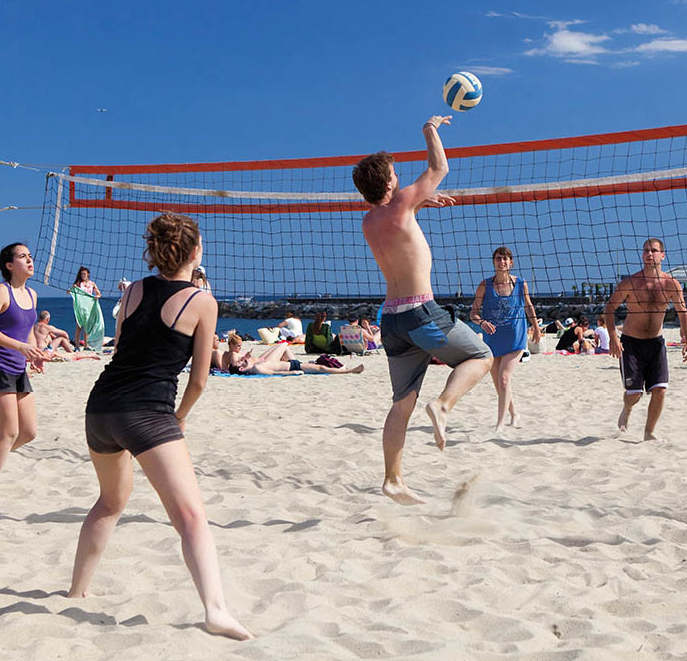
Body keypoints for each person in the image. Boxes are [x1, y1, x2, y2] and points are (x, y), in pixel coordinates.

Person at [68, 213, 251, 640]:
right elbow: (200, 379)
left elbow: (123, 347)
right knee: (191, 517)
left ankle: (76, 591)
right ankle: (216, 610)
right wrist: (179, 416)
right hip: (146, 412)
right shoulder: (202, 300)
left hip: (101, 407)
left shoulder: (132, 290)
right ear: (195, 251)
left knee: (110, 502)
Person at [353, 115, 493, 505]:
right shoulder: (401, 203)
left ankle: (392, 480)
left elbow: (399, 219)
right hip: (420, 313)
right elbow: (439, 167)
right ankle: (443, 405)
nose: (399, 177)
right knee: (481, 355)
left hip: (390, 321)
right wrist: (430, 129)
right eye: (396, 174)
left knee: (401, 403)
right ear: (389, 182)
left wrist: (420, 202)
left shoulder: (369, 220)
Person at [0, 243, 52, 501]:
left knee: (28, 432)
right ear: (9, 265)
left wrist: (34, 354)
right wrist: (19, 346)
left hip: (18, 368)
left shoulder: (32, 294)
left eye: (30, 255)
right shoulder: (1, 291)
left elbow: (28, 331)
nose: (29, 260)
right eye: (22, 257)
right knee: (8, 433)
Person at [603, 238, 687, 441]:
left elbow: (683, 313)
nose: (649, 254)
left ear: (662, 255)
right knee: (634, 394)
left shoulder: (671, 284)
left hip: (656, 343)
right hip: (631, 343)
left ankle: (649, 432)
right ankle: (627, 409)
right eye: (646, 251)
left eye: (653, 251)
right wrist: (613, 338)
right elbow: (609, 308)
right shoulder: (631, 283)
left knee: (660, 390)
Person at [470, 246, 543, 431]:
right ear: (494, 262)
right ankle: (514, 414)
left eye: (505, 259)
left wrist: (535, 328)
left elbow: (529, 306)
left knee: (504, 378)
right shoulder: (485, 285)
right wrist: (482, 322)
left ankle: (500, 424)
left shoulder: (520, 284)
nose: (502, 262)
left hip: (515, 338)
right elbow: (473, 313)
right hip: (493, 340)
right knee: (499, 383)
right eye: (498, 259)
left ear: (511, 262)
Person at [224, 335, 363, 376]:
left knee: (321, 367)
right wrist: (294, 372)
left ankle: (348, 370)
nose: (241, 361)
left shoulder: (253, 366)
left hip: (291, 364)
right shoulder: (256, 369)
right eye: (240, 363)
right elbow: (273, 373)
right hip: (292, 366)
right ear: (242, 369)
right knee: (321, 368)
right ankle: (350, 370)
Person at [70, 266, 102, 348]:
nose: (83, 275)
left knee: (87, 328)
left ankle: (86, 346)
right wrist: (73, 288)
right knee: (79, 326)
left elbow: (99, 293)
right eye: (81, 274)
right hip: (81, 307)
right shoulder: (78, 283)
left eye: (84, 274)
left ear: (88, 274)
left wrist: (97, 296)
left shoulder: (92, 283)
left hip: (89, 307)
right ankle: (76, 347)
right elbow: (69, 292)